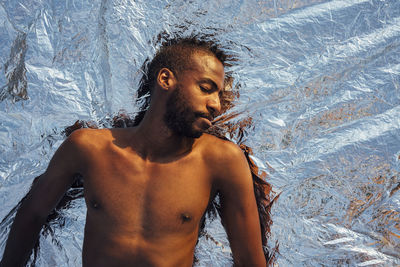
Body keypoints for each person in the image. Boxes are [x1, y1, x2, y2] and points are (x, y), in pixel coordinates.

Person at [1, 36, 272, 267]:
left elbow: (249, 260)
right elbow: (32, 214)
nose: (215, 104)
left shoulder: (222, 161)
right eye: (206, 88)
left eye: (219, 96)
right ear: (166, 79)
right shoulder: (87, 147)